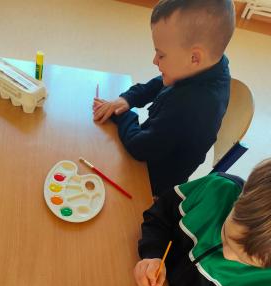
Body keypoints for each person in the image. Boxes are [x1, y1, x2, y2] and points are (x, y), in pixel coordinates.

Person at [110, 160, 271, 286]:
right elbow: (160, 215)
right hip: (141, 277)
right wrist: (153, 254)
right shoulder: (216, 189)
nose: (227, 256)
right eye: (226, 237)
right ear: (241, 198)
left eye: (246, 261)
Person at [93, 0, 235, 196]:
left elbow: (139, 148)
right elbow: (164, 81)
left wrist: (122, 114)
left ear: (194, 58)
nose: (155, 61)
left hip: (152, 181)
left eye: (161, 55)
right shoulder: (210, 66)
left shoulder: (191, 106)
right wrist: (128, 99)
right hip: (156, 146)